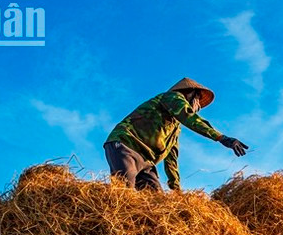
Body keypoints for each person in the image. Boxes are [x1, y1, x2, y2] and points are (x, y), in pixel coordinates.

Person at [104, 77, 249, 192]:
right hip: (126, 145)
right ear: (190, 93)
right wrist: (222, 138)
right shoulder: (172, 97)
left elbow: (171, 159)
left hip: (147, 161)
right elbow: (191, 118)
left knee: (156, 203)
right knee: (123, 193)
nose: (198, 107)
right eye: (197, 100)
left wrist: (177, 191)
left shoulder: (174, 128)